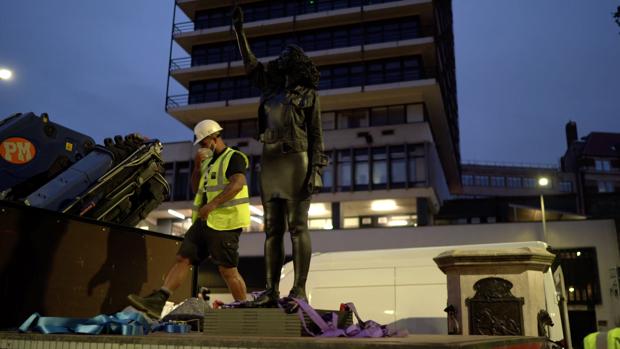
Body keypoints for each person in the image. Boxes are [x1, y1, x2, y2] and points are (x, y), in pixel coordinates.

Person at [232, 6, 327, 307]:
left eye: (287, 55)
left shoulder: (308, 94)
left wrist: (316, 171)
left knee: (298, 227)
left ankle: (298, 288)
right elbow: (250, 65)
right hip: (270, 161)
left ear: (296, 62)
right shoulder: (270, 89)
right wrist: (239, 32)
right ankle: (271, 290)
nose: (280, 58)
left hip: (296, 160)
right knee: (272, 230)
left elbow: (316, 136)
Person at [127, 119, 251, 318]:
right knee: (183, 258)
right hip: (203, 223)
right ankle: (159, 299)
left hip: (225, 224)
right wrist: (196, 167)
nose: (202, 146)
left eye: (203, 142)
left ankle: (246, 313)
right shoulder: (210, 163)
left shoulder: (233, 157)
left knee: (227, 271)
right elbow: (196, 189)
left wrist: (212, 205)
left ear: (213, 138)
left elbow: (237, 184)